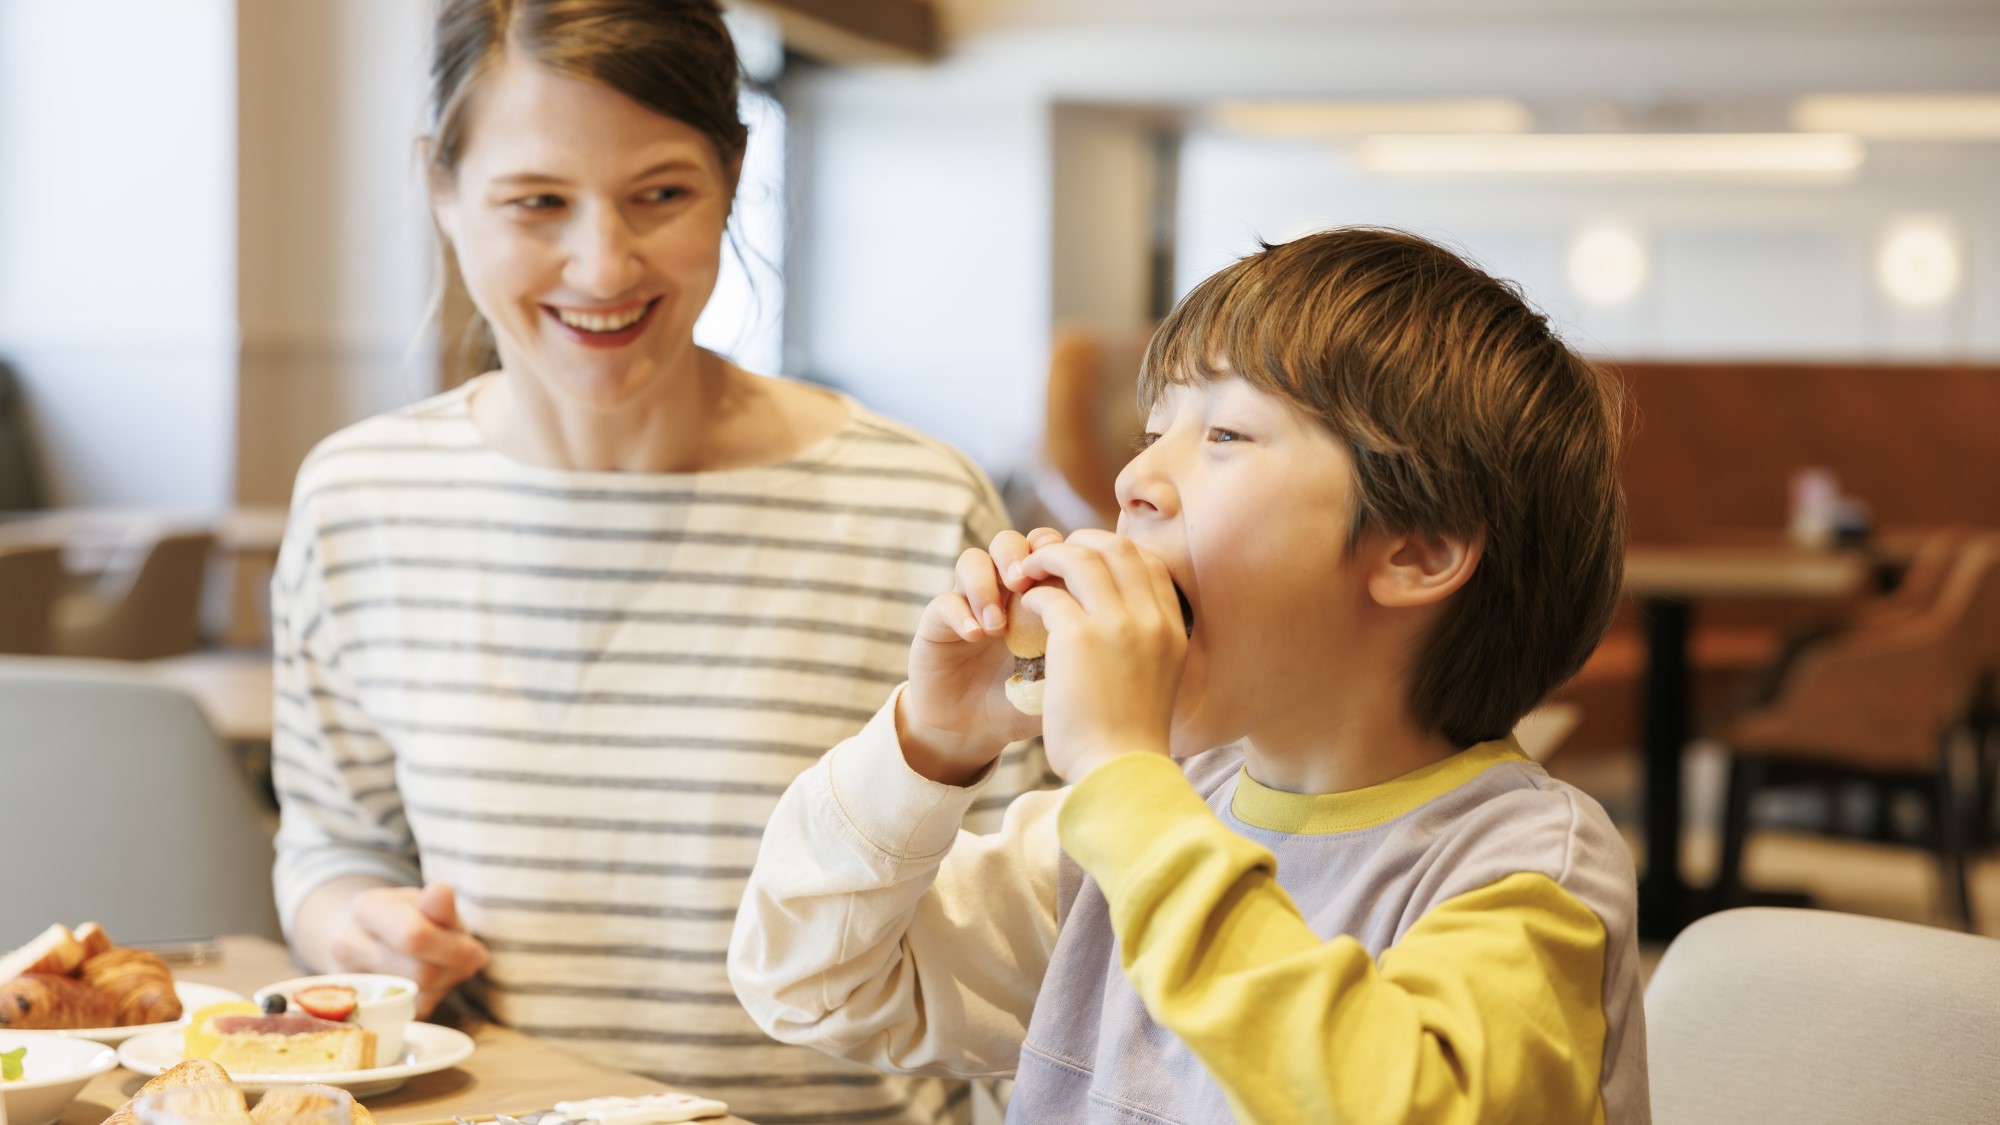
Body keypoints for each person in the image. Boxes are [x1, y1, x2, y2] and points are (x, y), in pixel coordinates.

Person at [268, 2, 1048, 1122]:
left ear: (732, 177)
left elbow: (1030, 914)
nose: (602, 263)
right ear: (441, 190)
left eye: (660, 195)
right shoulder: (357, 500)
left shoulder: (914, 503)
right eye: (536, 201)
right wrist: (352, 919)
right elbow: (333, 841)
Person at [729, 229, 1650, 1123]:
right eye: (1154, 429)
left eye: (1226, 435)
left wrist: (1126, 781)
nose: (1134, 479)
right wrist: (934, 743)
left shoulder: (1524, 862)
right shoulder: (1137, 832)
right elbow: (810, 980)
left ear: (1418, 547)